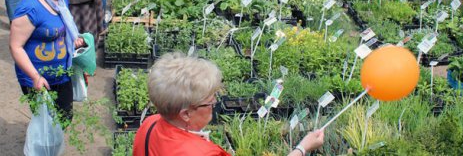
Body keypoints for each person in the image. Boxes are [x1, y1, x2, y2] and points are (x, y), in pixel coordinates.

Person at [132, 53, 325, 156]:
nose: (215, 103)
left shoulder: (150, 124)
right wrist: (302, 148)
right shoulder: (204, 154)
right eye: (209, 102)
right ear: (185, 114)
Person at [9, 0, 84, 119]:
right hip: (38, 78)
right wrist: (35, 77)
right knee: (47, 125)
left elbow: (64, 26)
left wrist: (74, 40)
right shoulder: (29, 9)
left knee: (65, 118)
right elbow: (15, 46)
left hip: (62, 73)